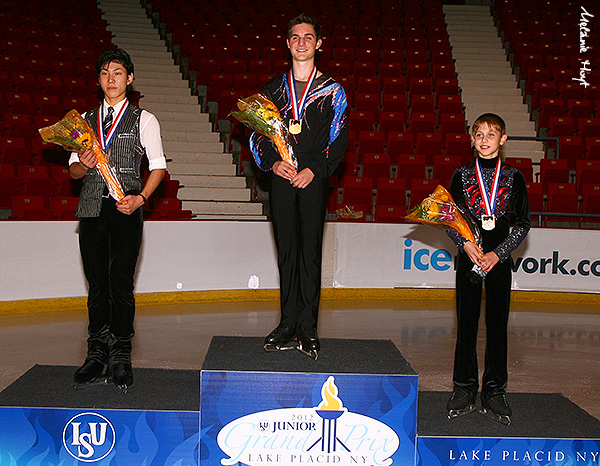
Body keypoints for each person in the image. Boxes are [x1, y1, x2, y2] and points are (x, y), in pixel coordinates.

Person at [249, 14, 348, 360]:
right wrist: (272, 163)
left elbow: (338, 142)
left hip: (312, 178)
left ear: (319, 44)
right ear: (287, 43)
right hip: (281, 177)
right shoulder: (273, 89)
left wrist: (314, 170)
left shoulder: (334, 91)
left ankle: (308, 327)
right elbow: (256, 135)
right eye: (295, 37)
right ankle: (287, 322)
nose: (302, 42)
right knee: (287, 251)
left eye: (308, 37)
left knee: (310, 253)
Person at [69, 48, 167, 392]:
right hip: (92, 209)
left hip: (127, 209)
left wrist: (141, 198)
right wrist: (83, 162)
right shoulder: (83, 120)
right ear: (98, 80)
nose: (112, 79)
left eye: (118, 72)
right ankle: (96, 352)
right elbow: (74, 171)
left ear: (130, 78)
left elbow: (158, 167)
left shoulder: (145, 119)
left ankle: (121, 354)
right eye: (105, 73)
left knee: (121, 285)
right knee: (97, 285)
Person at [445, 113, 530, 425]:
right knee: (466, 323)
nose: (483, 140)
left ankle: (494, 390)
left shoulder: (514, 177)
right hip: (469, 255)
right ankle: (464, 387)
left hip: (499, 259)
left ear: (503, 139)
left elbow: (523, 224)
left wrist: (499, 253)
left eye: (490, 135)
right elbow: (448, 217)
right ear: (472, 138)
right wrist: (465, 245)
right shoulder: (462, 174)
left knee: (497, 325)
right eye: (478, 134)